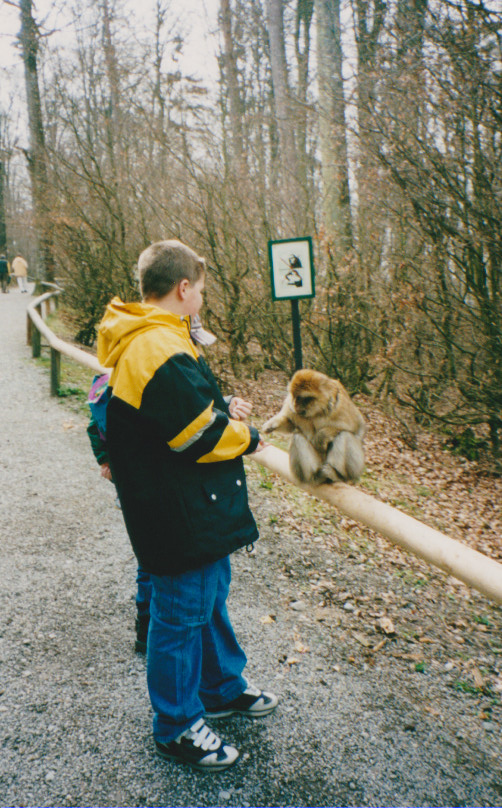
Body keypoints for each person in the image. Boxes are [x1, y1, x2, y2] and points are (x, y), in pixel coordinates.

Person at [97, 240, 277, 771]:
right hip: (174, 508)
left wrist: (222, 411)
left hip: (187, 501)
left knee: (209, 595)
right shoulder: (157, 346)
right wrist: (247, 435)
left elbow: (177, 410)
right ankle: (176, 725)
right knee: (180, 612)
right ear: (183, 289)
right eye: (200, 287)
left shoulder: (160, 338)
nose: (201, 295)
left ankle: (220, 688)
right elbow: (194, 434)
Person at [86, 314, 218, 655]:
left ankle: (146, 626)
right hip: (148, 487)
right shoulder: (159, 370)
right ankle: (148, 626)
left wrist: (106, 460)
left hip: (130, 483)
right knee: (155, 566)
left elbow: (96, 427)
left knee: (149, 561)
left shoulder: (112, 377)